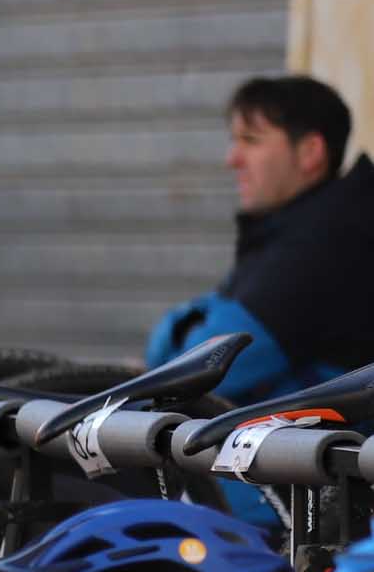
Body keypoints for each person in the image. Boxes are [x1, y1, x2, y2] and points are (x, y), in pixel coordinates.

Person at [151, 75, 374, 410]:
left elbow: (195, 374)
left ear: (310, 152)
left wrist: (179, 335)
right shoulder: (295, 228)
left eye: (251, 140)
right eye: (234, 141)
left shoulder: (327, 241)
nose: (232, 159)